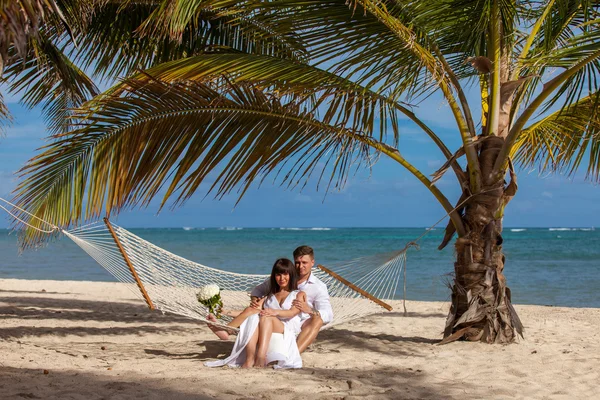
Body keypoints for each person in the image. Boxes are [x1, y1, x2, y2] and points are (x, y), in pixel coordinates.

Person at [207, 245, 333, 353]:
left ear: (312, 262)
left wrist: (309, 310)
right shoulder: (284, 277)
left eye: (304, 263)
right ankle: (227, 330)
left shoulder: (318, 287)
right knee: (254, 311)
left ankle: (295, 354)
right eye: (297, 262)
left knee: (317, 319)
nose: (300, 266)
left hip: (299, 323)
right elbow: (258, 290)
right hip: (272, 318)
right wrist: (255, 300)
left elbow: (328, 314)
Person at [205, 258, 305, 368]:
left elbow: (292, 312)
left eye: (285, 274)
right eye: (278, 275)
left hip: (286, 328)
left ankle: (260, 357)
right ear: (274, 276)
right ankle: (249, 359)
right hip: (266, 323)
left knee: (265, 316)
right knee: (253, 314)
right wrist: (225, 312)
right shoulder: (270, 295)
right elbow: (249, 311)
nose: (282, 278)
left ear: (291, 274)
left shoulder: (298, 294)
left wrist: (273, 312)